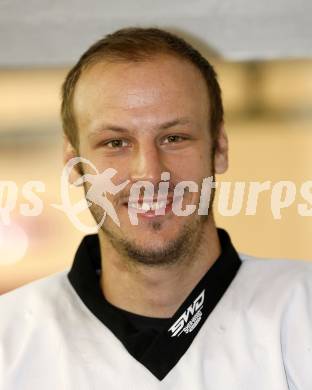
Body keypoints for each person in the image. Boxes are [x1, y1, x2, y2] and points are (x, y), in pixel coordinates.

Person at [0, 27, 311, 390]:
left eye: (174, 138)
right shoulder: (10, 340)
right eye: (115, 142)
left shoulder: (302, 312)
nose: (149, 173)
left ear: (220, 147)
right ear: (75, 163)